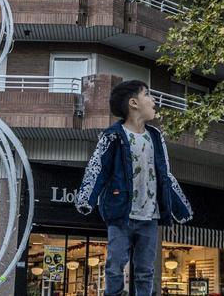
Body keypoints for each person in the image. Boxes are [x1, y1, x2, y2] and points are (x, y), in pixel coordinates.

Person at [76, 80, 193, 296]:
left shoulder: (156, 137)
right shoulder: (112, 135)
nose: (153, 100)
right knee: (114, 266)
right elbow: (97, 167)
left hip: (150, 217)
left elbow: (165, 175)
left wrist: (180, 208)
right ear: (133, 103)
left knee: (145, 270)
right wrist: (86, 199)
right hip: (121, 214)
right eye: (147, 95)